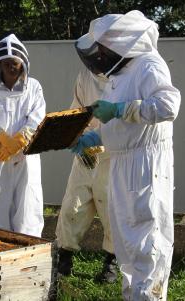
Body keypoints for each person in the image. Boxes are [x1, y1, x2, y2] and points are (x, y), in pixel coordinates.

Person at [71, 10, 181, 300]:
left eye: (104, 47)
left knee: (147, 240)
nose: (100, 53)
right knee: (126, 241)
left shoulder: (149, 65)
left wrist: (122, 109)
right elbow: (117, 126)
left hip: (146, 164)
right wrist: (95, 137)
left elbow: (168, 105)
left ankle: (149, 296)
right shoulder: (119, 74)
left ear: (121, 41)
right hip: (122, 163)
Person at [0, 34, 46, 237]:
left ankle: (28, 258)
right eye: (6, 63)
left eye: (14, 62)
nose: (11, 67)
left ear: (23, 63)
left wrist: (20, 139)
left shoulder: (33, 87)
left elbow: (37, 117)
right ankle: (0, 257)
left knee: (28, 206)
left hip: (26, 156)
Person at [55, 62, 117, 281]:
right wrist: (77, 136)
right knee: (73, 204)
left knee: (111, 208)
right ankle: (64, 257)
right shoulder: (84, 76)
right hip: (85, 150)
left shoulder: (124, 77)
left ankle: (111, 262)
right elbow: (77, 110)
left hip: (112, 153)